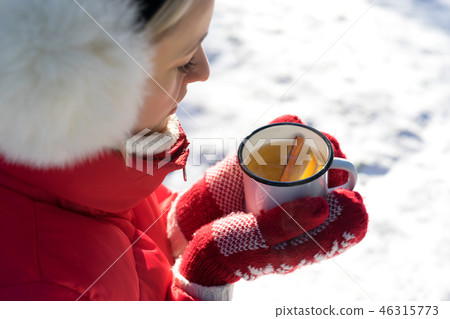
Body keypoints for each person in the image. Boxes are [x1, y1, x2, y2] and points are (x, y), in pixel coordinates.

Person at [0, 0, 368, 301]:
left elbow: (124, 241)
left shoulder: (100, 159)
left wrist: (186, 221)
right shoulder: (44, 293)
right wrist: (204, 281)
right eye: (183, 59)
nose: (203, 71)